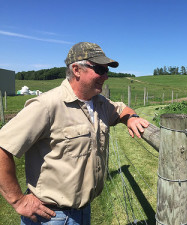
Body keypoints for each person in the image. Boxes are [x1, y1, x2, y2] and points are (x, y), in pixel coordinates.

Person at [0, 42, 149, 224]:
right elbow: (2, 147)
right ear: (77, 70)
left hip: (84, 211)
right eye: (100, 70)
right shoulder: (47, 105)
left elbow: (121, 109)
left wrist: (132, 117)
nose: (106, 76)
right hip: (50, 216)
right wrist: (18, 200)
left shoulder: (99, 103)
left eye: (107, 71)